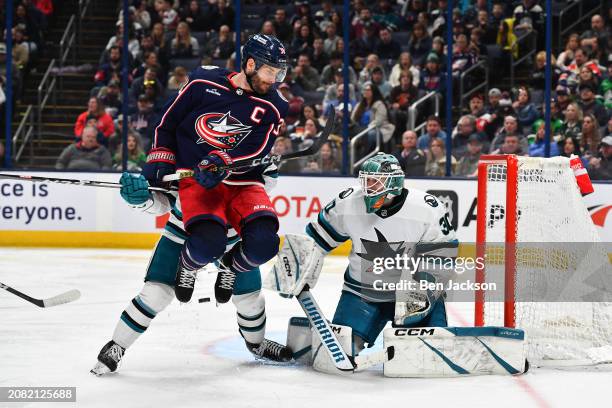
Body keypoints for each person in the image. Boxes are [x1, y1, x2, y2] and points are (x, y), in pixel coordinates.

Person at [91, 165, 292, 376]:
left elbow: (265, 183)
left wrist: (250, 166)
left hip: (232, 238)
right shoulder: (184, 141)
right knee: (156, 293)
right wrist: (143, 199)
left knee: (250, 300)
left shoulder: (249, 139)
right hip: (183, 231)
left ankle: (256, 342)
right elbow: (164, 199)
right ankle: (117, 345)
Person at [142, 34, 289, 305]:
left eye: (279, 72)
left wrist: (225, 159)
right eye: (270, 71)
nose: (275, 79)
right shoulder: (203, 82)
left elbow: (259, 148)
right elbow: (167, 121)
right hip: (200, 180)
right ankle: (188, 266)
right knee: (207, 244)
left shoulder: (274, 105)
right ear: (250, 64)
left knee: (265, 245)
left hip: (242, 182)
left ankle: (230, 268)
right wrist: (161, 160)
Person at [304, 153, 457, 359]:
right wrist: (300, 266)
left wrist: (425, 291)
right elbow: (318, 240)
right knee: (338, 353)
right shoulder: (348, 202)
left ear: (394, 183)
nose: (368, 188)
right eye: (366, 180)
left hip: (412, 293)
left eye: (375, 182)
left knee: (425, 358)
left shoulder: (426, 208)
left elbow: (442, 258)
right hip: (361, 292)